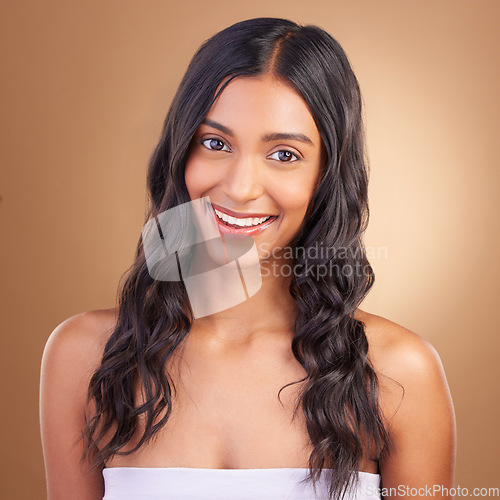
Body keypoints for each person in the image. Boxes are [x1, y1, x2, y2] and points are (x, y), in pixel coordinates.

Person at [40, 17, 456, 499]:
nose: (239, 187)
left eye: (283, 154)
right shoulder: (85, 357)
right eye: (215, 143)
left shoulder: (398, 372)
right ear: (180, 152)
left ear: (327, 175)